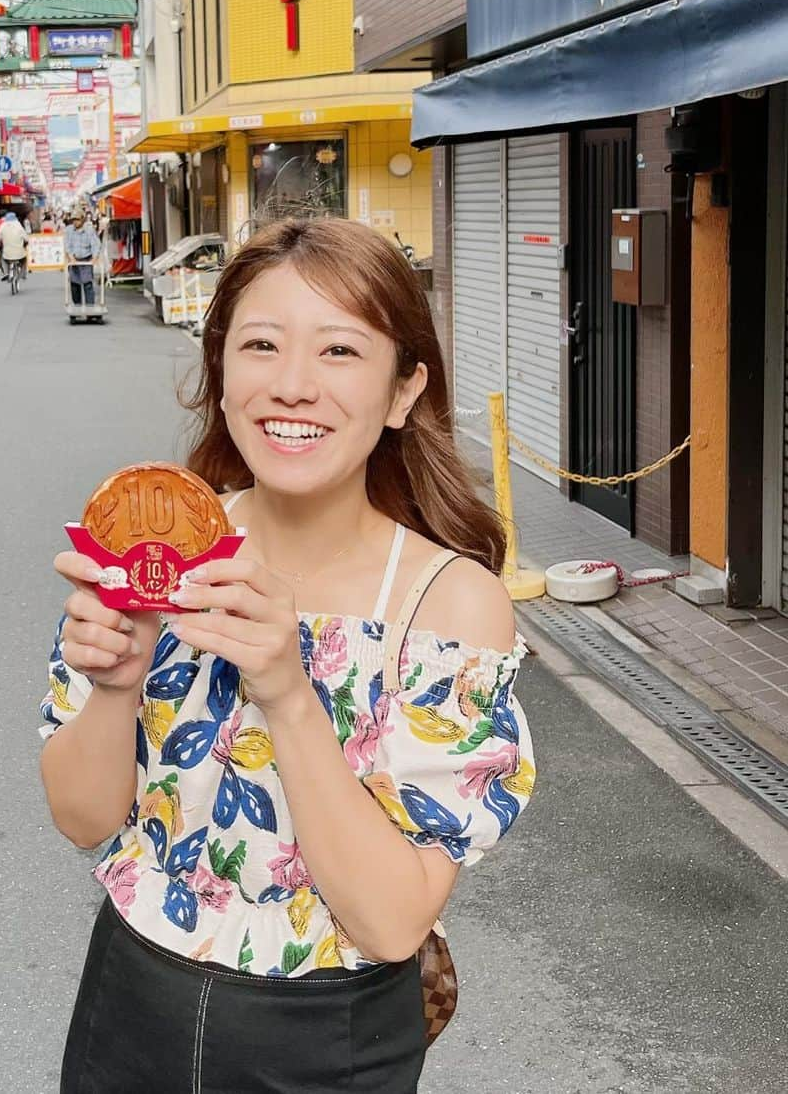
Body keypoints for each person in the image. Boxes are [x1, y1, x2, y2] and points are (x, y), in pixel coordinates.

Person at [41, 218, 537, 1093]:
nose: (294, 386)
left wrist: (289, 692)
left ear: (402, 390)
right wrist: (116, 688)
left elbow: (390, 923)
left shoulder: (450, 605)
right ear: (223, 373)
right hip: (128, 999)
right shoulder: (162, 550)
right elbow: (85, 819)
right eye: (261, 344)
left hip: (326, 1039)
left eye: (341, 350)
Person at [64, 208, 102, 310]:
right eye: (74, 220)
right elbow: (67, 246)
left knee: (87, 284)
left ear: (83, 219)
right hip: (74, 260)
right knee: (74, 284)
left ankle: (90, 308)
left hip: (86, 260)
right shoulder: (68, 230)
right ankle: (77, 307)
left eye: (77, 219)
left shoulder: (89, 230)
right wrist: (71, 258)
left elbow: (95, 244)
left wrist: (95, 258)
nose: (75, 222)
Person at [0, 212, 27, 284]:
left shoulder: (3, 227)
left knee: (3, 259)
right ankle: (23, 274)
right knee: (24, 260)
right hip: (19, 253)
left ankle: (6, 273)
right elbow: (26, 238)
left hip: (7, 253)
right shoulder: (19, 226)